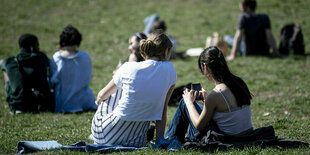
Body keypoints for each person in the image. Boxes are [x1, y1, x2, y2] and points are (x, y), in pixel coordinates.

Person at [91, 31, 177, 147]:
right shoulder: (170, 70)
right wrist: (159, 138)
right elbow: (163, 109)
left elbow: (102, 95)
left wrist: (99, 103)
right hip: (135, 141)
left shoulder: (127, 67)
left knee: (117, 89)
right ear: (166, 50)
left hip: (103, 135)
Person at [165, 46, 253, 143]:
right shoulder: (239, 82)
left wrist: (189, 102)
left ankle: (168, 139)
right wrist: (207, 100)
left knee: (184, 103)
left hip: (227, 138)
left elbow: (198, 125)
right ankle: (172, 138)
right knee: (192, 105)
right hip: (247, 134)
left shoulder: (216, 94)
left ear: (205, 66)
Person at [1, 34, 54, 113]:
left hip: (18, 106)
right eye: (37, 45)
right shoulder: (41, 58)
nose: (38, 47)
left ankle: (14, 98)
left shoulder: (11, 62)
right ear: (32, 46)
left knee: (6, 70)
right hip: (42, 103)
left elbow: (2, 62)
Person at [49, 25, 97, 113]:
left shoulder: (56, 58)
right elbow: (88, 78)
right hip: (85, 101)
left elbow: (52, 83)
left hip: (63, 103)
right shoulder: (85, 56)